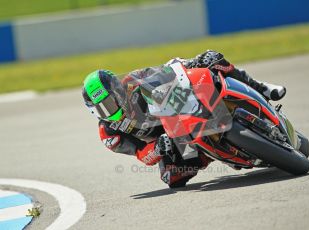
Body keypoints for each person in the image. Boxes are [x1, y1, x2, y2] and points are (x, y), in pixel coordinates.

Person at [82, 50, 286, 188]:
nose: (107, 112)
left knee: (211, 57)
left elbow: (166, 71)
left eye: (108, 103)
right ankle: (208, 154)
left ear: (117, 91)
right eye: (100, 110)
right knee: (171, 177)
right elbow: (140, 155)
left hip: (178, 107)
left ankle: (261, 87)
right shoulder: (109, 133)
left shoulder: (133, 80)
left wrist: (188, 63)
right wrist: (157, 148)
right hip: (171, 139)